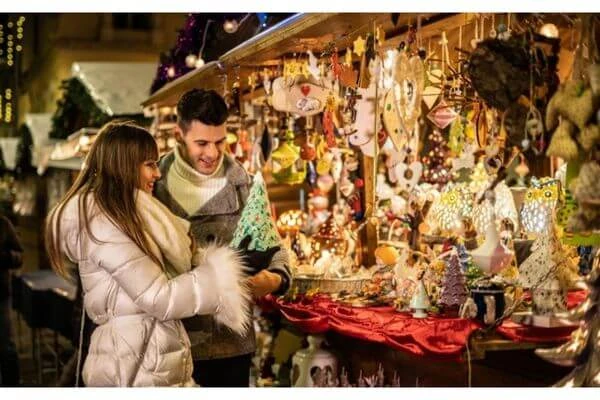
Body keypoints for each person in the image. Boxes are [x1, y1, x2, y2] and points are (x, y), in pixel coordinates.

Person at [45, 121, 250, 387]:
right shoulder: (106, 223)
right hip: (134, 365)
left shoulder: (127, 216)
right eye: (149, 164)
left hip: (144, 358)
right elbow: (159, 297)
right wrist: (219, 276)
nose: (157, 174)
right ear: (125, 165)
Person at [154, 88, 291, 387]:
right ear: (179, 134)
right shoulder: (154, 183)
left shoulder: (242, 181)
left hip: (232, 346)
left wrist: (276, 278)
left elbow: (274, 246)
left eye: (219, 142)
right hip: (174, 343)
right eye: (201, 143)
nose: (212, 153)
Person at [0, 214, 23, 386]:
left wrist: (5, 257)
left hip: (0, 295)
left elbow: (19, 256)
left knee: (6, 346)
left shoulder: (3, 223)